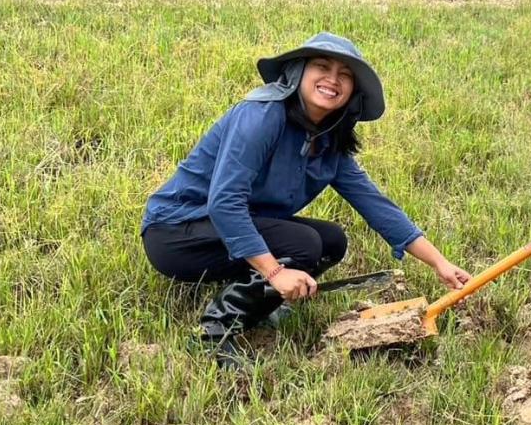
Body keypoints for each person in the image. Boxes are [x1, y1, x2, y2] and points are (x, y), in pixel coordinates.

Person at [141, 32, 470, 368]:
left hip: (224, 227)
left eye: (345, 74)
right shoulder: (262, 115)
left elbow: (376, 205)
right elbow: (225, 202)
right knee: (304, 245)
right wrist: (274, 272)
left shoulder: (328, 139)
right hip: (177, 233)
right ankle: (213, 333)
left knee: (331, 241)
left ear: (353, 91)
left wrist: (439, 263)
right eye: (322, 67)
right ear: (298, 71)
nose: (333, 79)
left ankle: (263, 306)